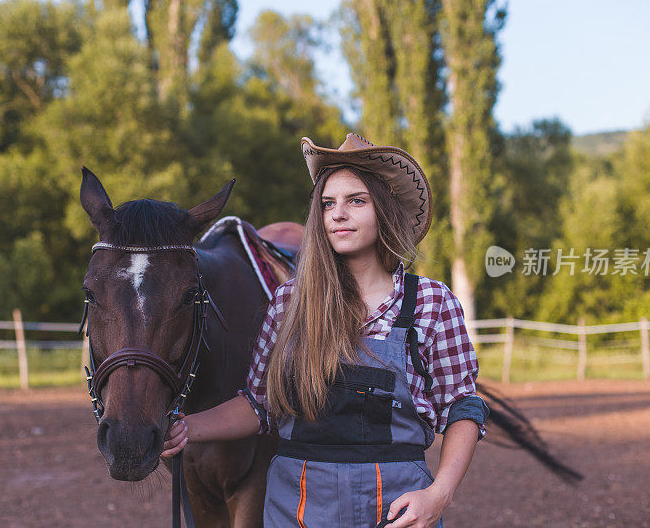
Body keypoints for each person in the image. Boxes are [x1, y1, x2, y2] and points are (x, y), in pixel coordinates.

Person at [162, 133, 490, 528]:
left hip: (397, 510)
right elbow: (259, 404)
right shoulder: (289, 303)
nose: (338, 214)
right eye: (327, 203)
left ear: (385, 210)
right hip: (297, 508)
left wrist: (438, 494)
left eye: (356, 201)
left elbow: (462, 407)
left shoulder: (431, 303)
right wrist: (187, 427)